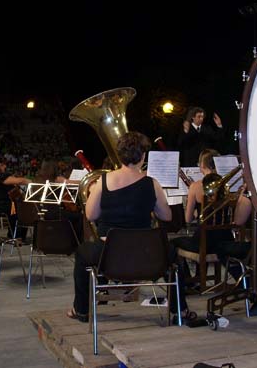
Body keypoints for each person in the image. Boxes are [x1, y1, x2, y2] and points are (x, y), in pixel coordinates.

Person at [67, 132, 194, 323]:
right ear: (143, 155)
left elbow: (91, 215)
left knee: (82, 253)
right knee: (173, 256)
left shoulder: (102, 182)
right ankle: (180, 310)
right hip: (147, 256)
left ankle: (82, 310)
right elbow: (166, 216)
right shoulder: (152, 183)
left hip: (109, 255)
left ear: (119, 155)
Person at [0, 157, 31, 239]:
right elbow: (20, 181)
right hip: (2, 205)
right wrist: (31, 182)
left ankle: (12, 234)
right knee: (21, 209)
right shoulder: (1, 177)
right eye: (3, 165)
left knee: (14, 208)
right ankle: (17, 236)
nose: (5, 166)